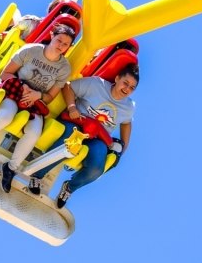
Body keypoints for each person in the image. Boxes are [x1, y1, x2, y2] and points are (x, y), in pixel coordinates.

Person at [0, 22, 76, 192]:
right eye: (59, 40)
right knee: (6, 116)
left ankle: (10, 168)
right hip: (15, 90)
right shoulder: (31, 50)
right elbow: (5, 73)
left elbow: (49, 97)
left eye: (66, 44)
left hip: (34, 101)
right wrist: (23, 87)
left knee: (34, 132)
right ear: (52, 36)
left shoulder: (64, 68)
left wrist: (38, 96)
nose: (61, 46)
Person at [28, 64, 138, 209]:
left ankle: (69, 188)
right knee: (70, 140)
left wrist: (124, 146)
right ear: (117, 79)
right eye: (125, 83)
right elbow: (69, 86)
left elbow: (126, 123)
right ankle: (37, 175)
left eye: (132, 88)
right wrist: (72, 107)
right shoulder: (96, 84)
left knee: (97, 166)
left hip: (97, 137)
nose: (127, 89)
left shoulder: (129, 107)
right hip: (77, 122)